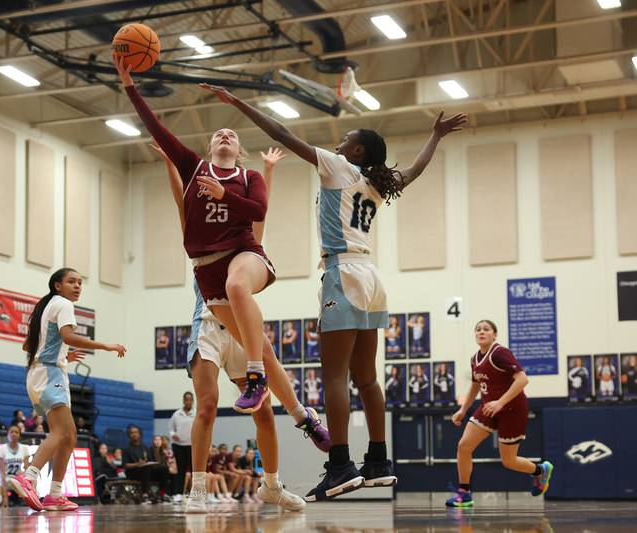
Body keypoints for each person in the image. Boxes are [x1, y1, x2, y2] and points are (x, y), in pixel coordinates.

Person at [201, 81, 467, 501]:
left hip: (342, 271)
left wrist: (237, 103)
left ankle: (340, 465)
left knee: (334, 376)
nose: (339, 142)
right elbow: (413, 172)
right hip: (372, 277)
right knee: (367, 378)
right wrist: (435, 136)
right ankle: (378, 461)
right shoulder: (377, 182)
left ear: (357, 151)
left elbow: (282, 135)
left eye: (347, 139)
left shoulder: (337, 165)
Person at [150, 140, 327, 514]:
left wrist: (269, 173)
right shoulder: (201, 230)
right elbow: (180, 199)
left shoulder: (244, 240)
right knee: (208, 405)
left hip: (240, 329)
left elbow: (258, 218)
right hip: (208, 325)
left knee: (263, 412)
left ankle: (273, 486)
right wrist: (170, 163)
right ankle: (198, 490)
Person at [116, 57, 278, 414]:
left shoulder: (249, 178)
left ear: (238, 151)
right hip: (207, 272)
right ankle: (301, 414)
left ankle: (260, 382)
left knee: (240, 295)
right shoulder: (194, 168)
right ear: (208, 148)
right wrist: (129, 85)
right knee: (248, 362)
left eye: (232, 136)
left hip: (243, 256)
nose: (225, 135)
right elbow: (156, 127)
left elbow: (259, 213)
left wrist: (226, 195)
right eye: (219, 134)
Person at [13, 267, 126, 512]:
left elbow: (28, 345)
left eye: (80, 283)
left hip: (41, 372)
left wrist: (64, 355)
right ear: (57, 285)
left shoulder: (47, 306)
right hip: (49, 373)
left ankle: (55, 494)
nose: (77, 286)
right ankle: (29, 477)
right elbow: (68, 336)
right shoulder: (63, 304)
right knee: (62, 431)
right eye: (71, 282)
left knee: (70, 435)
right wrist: (105, 345)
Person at [446, 320, 553, 507]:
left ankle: (540, 470)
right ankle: (464, 493)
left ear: (494, 334)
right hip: (489, 406)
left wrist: (500, 402)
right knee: (464, 446)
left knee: (509, 461)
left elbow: (522, 379)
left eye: (486, 329)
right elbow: (475, 385)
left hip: (512, 408)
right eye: (478, 329)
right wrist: (463, 410)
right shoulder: (474, 359)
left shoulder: (500, 353)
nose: (481, 332)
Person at [122, 425, 170, 502]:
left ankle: (162, 494)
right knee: (145, 468)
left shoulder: (145, 447)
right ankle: (145, 494)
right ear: (129, 435)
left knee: (164, 468)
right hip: (133, 473)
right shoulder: (126, 449)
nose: (134, 434)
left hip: (146, 471)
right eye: (132, 433)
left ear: (140, 434)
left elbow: (150, 461)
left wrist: (155, 463)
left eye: (136, 432)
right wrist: (137, 464)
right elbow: (125, 465)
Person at [0, 425, 30, 507]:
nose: (14, 434)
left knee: (34, 496)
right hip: (3, 479)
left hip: (17, 480)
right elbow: (2, 474)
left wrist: (28, 484)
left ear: (19, 435)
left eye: (16, 432)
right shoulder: (2, 449)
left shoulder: (24, 448)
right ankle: (3, 496)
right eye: (11, 432)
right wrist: (5, 498)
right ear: (7, 434)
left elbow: (27, 469)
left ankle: (17, 497)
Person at [168, 391, 195, 500]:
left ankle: (195, 494)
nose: (188, 401)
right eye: (186, 399)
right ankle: (178, 494)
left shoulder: (196, 413)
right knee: (181, 470)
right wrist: (173, 435)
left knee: (194, 471)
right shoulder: (177, 414)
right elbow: (171, 428)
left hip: (192, 445)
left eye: (190, 399)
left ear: (192, 401)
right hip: (178, 445)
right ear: (183, 401)